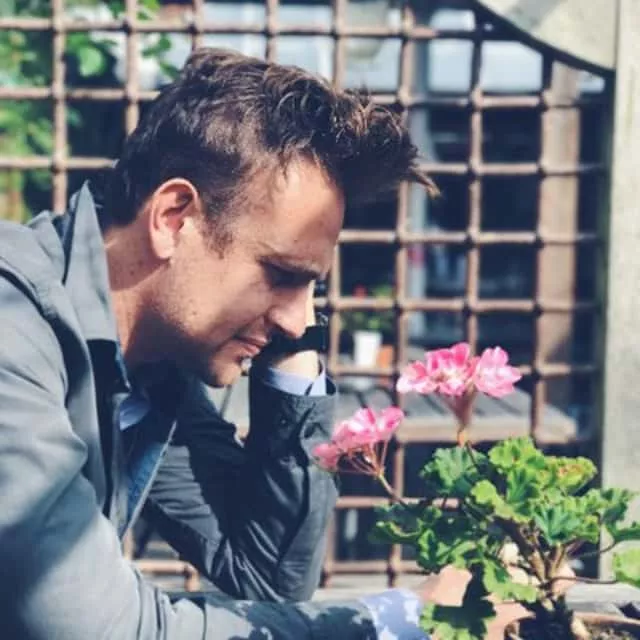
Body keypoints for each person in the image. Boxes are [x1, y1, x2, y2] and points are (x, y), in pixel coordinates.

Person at [0, 46, 516, 639]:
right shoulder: (13, 334)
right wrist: (398, 621)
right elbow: (100, 630)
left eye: (312, 288)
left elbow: (267, 575)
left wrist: (295, 339)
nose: (300, 321)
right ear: (174, 217)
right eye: (282, 273)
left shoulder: (145, 365)